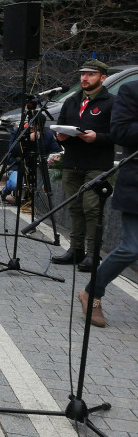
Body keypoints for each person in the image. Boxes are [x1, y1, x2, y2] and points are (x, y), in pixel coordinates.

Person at [78, 79, 138, 327]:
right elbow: (120, 132)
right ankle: (92, 291)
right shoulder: (131, 90)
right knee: (131, 248)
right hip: (136, 185)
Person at [52, 60, 115, 271]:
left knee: (91, 208)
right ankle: (75, 249)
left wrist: (97, 137)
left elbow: (117, 134)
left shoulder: (110, 102)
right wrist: (61, 137)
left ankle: (92, 254)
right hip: (72, 161)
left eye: (90, 74)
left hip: (96, 163)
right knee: (74, 207)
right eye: (82, 74)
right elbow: (61, 125)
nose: (85, 78)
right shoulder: (72, 100)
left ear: (102, 77)